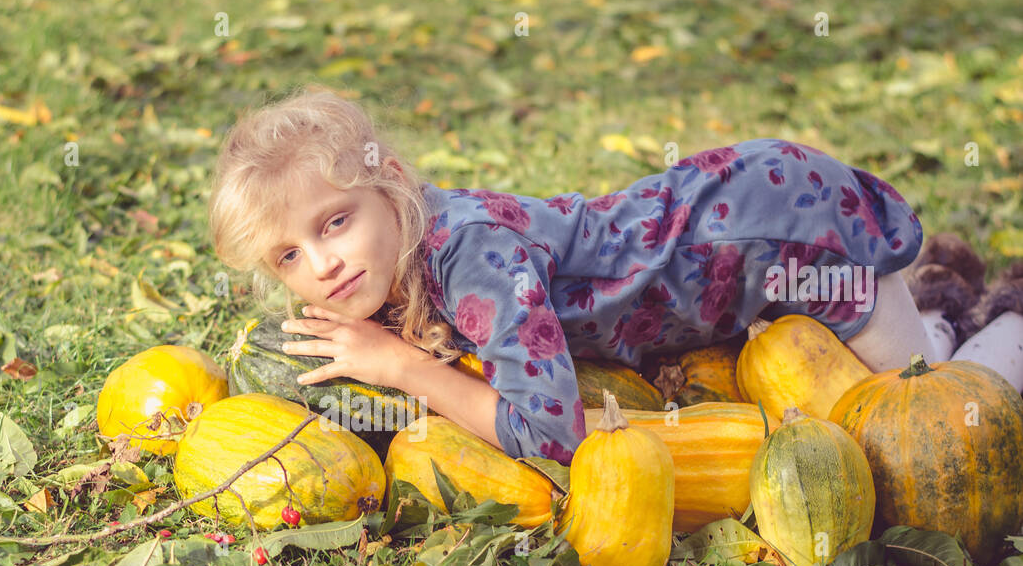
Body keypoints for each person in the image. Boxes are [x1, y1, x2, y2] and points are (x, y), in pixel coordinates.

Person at [207, 85, 936, 464]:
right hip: (728, 224)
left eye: (334, 221)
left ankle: (1002, 329)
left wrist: (403, 368)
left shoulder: (472, 261)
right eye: (288, 256)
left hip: (781, 231)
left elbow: (554, 434)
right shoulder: (398, 249)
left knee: (930, 398)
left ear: (390, 184)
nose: (324, 262)